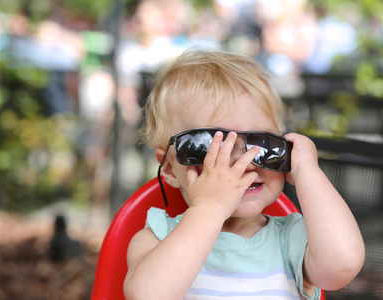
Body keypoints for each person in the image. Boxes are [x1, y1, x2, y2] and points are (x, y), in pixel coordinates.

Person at [123, 48, 365, 300]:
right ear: (171, 168)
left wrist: (308, 171)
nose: (245, 163)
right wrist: (209, 209)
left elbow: (343, 264)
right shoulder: (158, 236)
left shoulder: (291, 241)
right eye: (210, 147)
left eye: (263, 143)